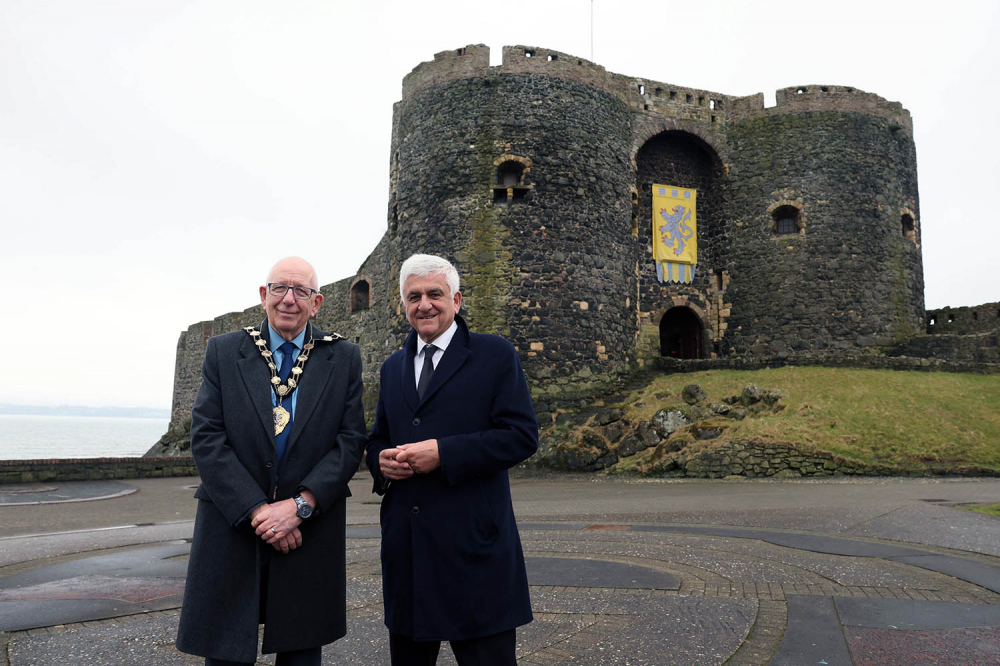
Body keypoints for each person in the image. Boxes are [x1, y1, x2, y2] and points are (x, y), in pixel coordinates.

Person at [177, 256, 366, 666]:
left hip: (308, 528)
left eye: (301, 291)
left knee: (301, 649)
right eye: (280, 288)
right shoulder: (225, 351)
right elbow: (207, 437)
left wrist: (300, 506)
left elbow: (350, 441)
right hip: (233, 522)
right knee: (226, 650)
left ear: (316, 304)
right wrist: (261, 511)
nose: (289, 299)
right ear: (264, 296)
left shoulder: (344, 357)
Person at [366, 253, 539, 666]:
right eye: (414, 296)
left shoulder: (495, 355)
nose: (424, 304)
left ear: (457, 301)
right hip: (408, 550)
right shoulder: (393, 368)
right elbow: (377, 439)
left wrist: (443, 453)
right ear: (403, 306)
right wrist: (380, 463)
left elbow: (521, 436)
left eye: (434, 294)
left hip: (474, 549)